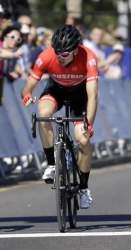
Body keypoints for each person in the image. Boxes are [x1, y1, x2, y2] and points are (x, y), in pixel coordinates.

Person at [21, 25, 98, 209]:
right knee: (44, 114)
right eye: (57, 53)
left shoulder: (89, 57)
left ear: (75, 50)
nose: (59, 57)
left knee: (83, 140)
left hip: (80, 95)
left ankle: (84, 188)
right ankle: (51, 164)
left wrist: (89, 123)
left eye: (64, 54)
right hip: (57, 89)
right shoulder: (46, 56)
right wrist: (26, 95)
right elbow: (28, 87)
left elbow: (93, 95)